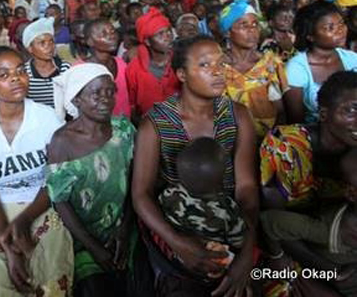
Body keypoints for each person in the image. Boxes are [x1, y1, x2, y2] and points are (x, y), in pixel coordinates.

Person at [132, 35, 258, 297]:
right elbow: (141, 195)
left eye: (221, 64)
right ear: (181, 74)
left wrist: (246, 249)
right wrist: (179, 243)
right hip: (178, 222)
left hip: (231, 221)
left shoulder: (238, 115)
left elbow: (246, 187)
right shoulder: (155, 123)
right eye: (204, 65)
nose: (217, 71)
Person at [0, 46, 73, 296]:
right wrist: (8, 246)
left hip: (40, 204)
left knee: (52, 279)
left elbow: (54, 180)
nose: (15, 78)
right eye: (3, 74)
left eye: (20, 71)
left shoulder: (47, 119)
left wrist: (24, 219)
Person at [259, 71, 357, 295]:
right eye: (352, 110)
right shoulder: (285, 147)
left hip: (339, 241)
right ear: (324, 113)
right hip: (289, 244)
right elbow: (272, 222)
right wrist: (328, 271)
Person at [47, 63, 135, 297]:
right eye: (96, 93)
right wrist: (94, 248)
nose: (105, 99)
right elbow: (61, 202)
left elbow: (135, 182)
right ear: (76, 101)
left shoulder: (123, 129)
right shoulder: (62, 142)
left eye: (110, 91)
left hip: (124, 227)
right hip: (83, 237)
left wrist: (124, 230)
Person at [158, 138, 246, 279]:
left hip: (178, 257)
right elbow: (239, 241)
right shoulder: (228, 210)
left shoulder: (168, 194)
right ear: (220, 181)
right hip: (213, 263)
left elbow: (162, 214)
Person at [221, 0, 289, 138]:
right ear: (228, 32)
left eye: (255, 24)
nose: (252, 30)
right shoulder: (217, 66)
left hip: (268, 142)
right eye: (243, 25)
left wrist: (271, 142)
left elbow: (282, 111)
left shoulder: (270, 63)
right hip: (229, 142)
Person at [285, 1, 357, 124]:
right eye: (330, 27)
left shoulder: (352, 59)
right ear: (310, 36)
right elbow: (296, 120)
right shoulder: (296, 68)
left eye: (341, 24)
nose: (340, 30)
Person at [126, 8, 180, 121]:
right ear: (147, 42)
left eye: (168, 31)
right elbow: (132, 105)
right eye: (160, 34)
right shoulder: (134, 68)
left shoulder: (181, 61)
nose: (167, 37)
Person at [77, 19, 131, 118]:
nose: (111, 36)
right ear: (90, 41)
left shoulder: (121, 63)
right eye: (103, 33)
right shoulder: (80, 70)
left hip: (124, 128)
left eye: (112, 31)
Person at [23, 17, 71, 108]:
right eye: (42, 43)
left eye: (51, 42)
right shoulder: (25, 72)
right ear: (30, 48)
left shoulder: (65, 68)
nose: (49, 47)